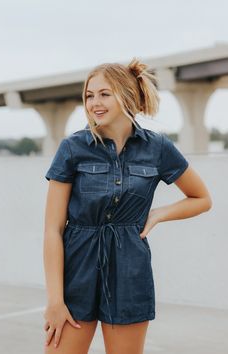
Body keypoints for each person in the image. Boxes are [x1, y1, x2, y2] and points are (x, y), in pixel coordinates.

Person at [43, 58, 212, 354]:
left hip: (130, 269)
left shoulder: (158, 148)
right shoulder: (73, 148)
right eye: (89, 95)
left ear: (127, 95)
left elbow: (202, 198)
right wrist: (55, 301)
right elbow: (52, 231)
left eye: (104, 94)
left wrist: (159, 213)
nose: (94, 102)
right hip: (77, 269)